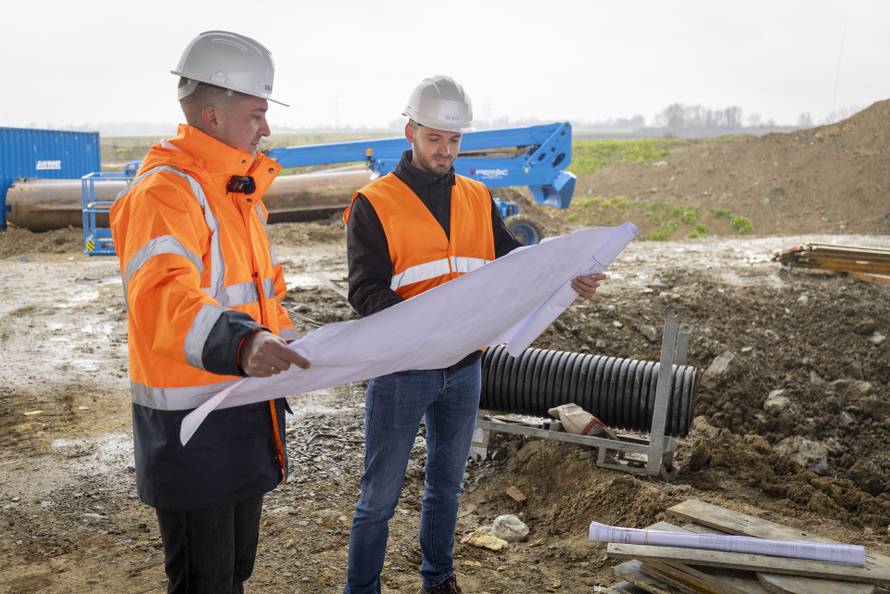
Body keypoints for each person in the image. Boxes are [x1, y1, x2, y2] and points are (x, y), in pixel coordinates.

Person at [342, 75, 605, 594]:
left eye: (454, 140)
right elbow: (365, 291)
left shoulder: (478, 196)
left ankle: (438, 580)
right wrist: (425, 327)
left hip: (464, 369)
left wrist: (565, 278)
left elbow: (516, 265)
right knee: (379, 497)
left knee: (447, 486)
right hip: (402, 370)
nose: (445, 150)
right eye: (435, 138)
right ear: (410, 132)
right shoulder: (374, 202)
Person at [110, 30, 309, 594]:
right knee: (205, 581)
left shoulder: (236, 195)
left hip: (242, 410)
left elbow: (260, 296)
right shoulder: (165, 193)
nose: (265, 128)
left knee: (234, 572)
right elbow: (162, 299)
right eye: (256, 113)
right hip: (192, 429)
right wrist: (244, 343)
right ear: (212, 115)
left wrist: (301, 347)